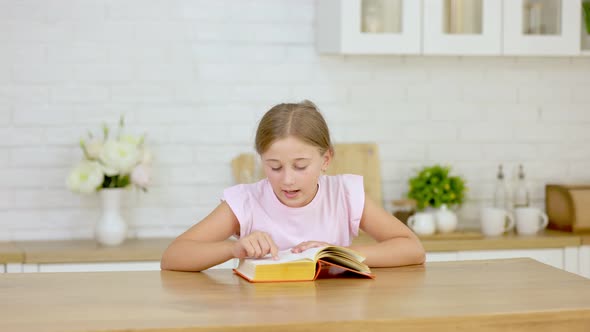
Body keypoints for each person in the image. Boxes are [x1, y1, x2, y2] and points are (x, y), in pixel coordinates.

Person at [161, 100, 425, 271]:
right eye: (274, 167)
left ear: (326, 159)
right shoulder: (246, 201)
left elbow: (412, 248)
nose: (287, 179)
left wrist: (337, 254)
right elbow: (174, 256)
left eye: (300, 166)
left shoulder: (344, 194)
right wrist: (233, 249)